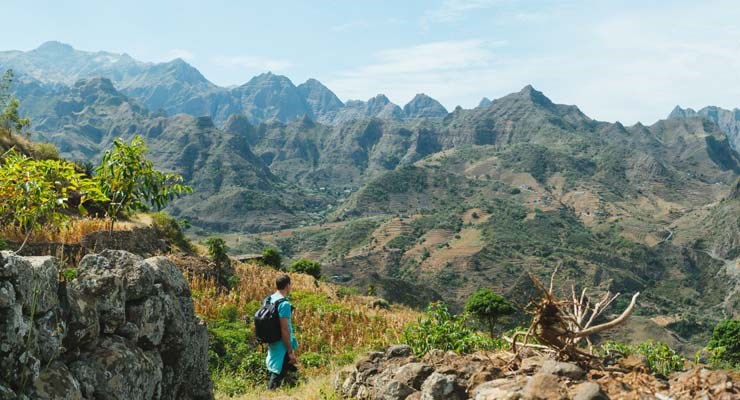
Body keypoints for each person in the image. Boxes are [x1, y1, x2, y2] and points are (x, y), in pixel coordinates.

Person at [266, 275, 298, 389]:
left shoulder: (270, 299)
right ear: (287, 285)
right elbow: (284, 329)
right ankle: (270, 394)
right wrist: (290, 351)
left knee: (276, 367)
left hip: (272, 340)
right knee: (278, 371)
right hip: (282, 343)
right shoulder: (284, 304)